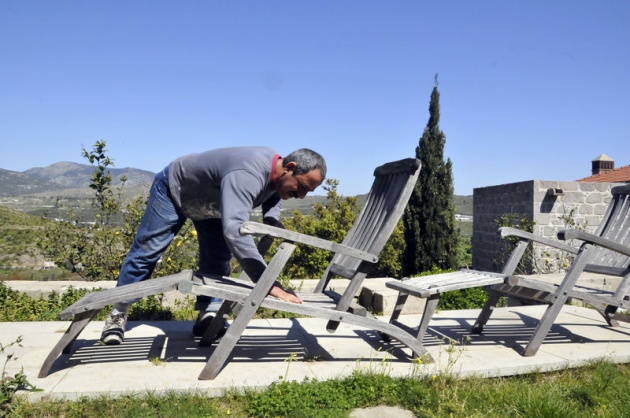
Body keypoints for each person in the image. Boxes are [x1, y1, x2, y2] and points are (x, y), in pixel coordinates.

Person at [101, 146, 326, 345]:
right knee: (148, 251)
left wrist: (271, 218)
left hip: (212, 201)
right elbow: (236, 232)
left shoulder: (277, 172)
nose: (303, 196)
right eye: (303, 187)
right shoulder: (247, 173)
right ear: (289, 167)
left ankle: (207, 316)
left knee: (217, 258)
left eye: (309, 192)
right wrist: (266, 282)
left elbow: (274, 192)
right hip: (176, 189)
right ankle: (117, 313)